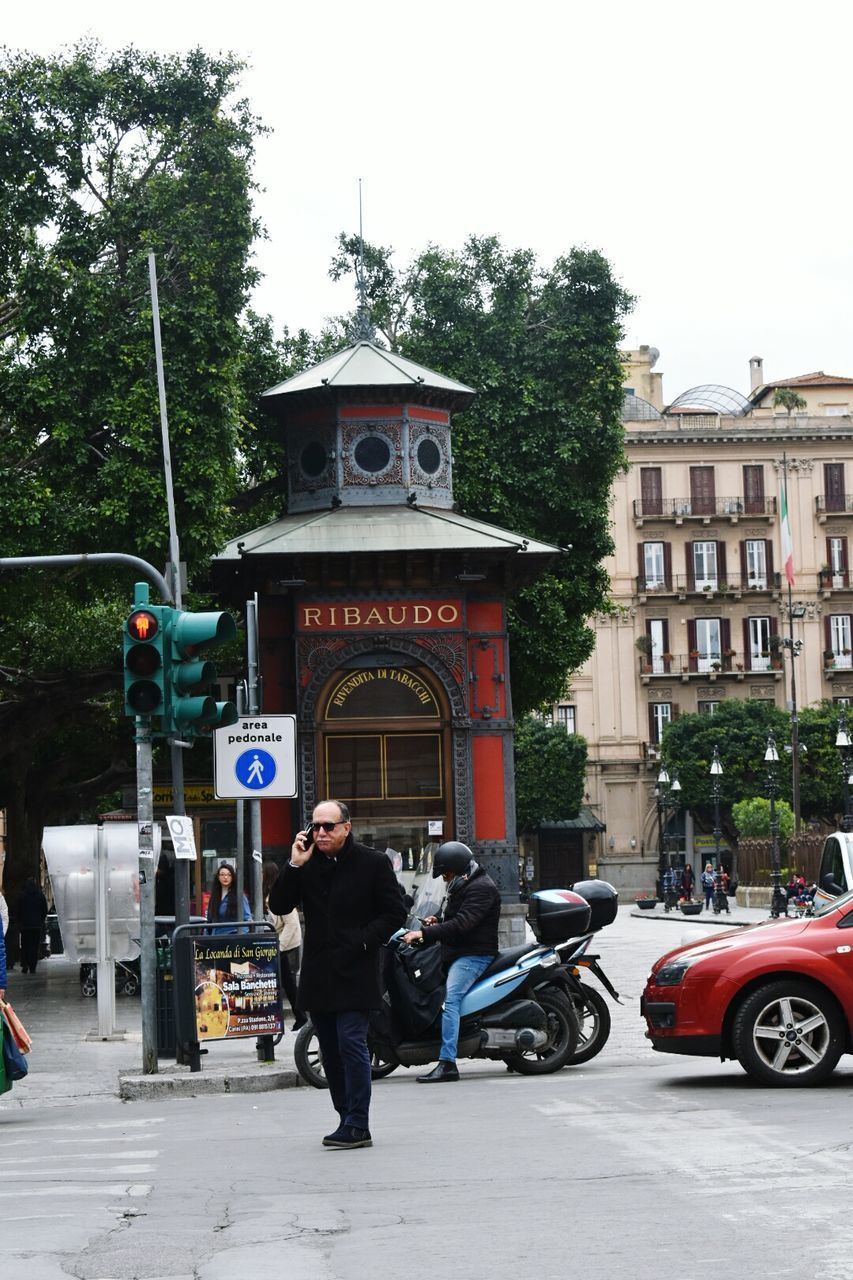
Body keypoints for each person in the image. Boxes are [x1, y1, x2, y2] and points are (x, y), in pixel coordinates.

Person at [268, 800, 405, 1150]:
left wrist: (362, 941)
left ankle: (359, 1122)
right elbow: (280, 905)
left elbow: (394, 914)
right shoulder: (306, 863)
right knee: (329, 1048)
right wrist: (294, 865)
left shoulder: (373, 863)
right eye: (315, 826)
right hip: (317, 971)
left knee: (351, 1042)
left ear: (347, 827)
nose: (321, 833)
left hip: (357, 969)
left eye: (328, 826)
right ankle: (346, 1116)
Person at [402, 840, 501, 1083]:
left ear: (458, 870)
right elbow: (452, 917)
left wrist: (424, 934)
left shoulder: (481, 888)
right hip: (456, 951)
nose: (445, 880)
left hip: (473, 955)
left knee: (450, 1001)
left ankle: (447, 1063)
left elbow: (462, 924)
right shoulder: (463, 885)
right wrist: (435, 920)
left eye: (446, 874)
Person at [262, 860, 305, 1031]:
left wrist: (279, 947)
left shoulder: (277, 895)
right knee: (287, 980)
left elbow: (291, 923)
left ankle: (298, 1016)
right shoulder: (269, 894)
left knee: (283, 980)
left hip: (283, 943)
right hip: (278, 942)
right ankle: (300, 1016)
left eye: (261, 872)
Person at [15, 877, 48, 974]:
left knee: (25, 945)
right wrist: (40, 920)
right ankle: (32, 966)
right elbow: (44, 910)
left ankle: (25, 964)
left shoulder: (22, 896)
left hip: (25, 926)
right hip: (36, 926)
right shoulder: (40, 895)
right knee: (34, 946)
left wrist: (20, 922)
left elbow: (18, 910)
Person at [205, 864, 251, 932]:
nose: (225, 877)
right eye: (222, 874)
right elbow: (210, 920)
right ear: (218, 877)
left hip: (233, 936)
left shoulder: (239, 896)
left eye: (229, 875)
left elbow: (247, 919)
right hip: (216, 937)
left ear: (232, 877)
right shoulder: (214, 896)